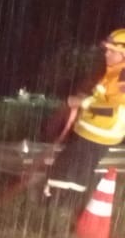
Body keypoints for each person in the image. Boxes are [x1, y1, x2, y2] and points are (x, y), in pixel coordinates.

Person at [45, 29, 125, 203]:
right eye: (107, 49)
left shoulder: (122, 76)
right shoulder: (113, 72)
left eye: (112, 51)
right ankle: (57, 205)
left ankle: (60, 208)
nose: (106, 53)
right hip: (90, 132)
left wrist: (82, 102)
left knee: (71, 174)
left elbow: (115, 107)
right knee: (66, 170)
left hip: (100, 134)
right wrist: (86, 99)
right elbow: (103, 98)